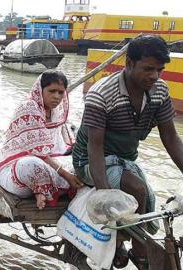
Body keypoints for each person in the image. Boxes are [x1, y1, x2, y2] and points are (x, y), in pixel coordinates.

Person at [72, 34, 183, 269]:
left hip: (124, 161)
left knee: (150, 203)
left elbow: (171, 138)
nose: (154, 76)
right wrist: (104, 193)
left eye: (159, 70)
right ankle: (138, 249)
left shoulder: (160, 91)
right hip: (90, 160)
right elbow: (95, 147)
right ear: (129, 63)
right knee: (137, 188)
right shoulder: (101, 94)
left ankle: (129, 238)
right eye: (148, 69)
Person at [0, 70, 84, 209]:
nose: (57, 96)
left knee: (84, 165)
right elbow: (39, 153)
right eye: (52, 91)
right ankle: (41, 190)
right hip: (19, 169)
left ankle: (43, 191)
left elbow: (61, 146)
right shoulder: (29, 107)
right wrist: (67, 175)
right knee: (31, 164)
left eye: (61, 92)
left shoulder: (56, 113)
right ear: (40, 90)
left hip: (52, 164)